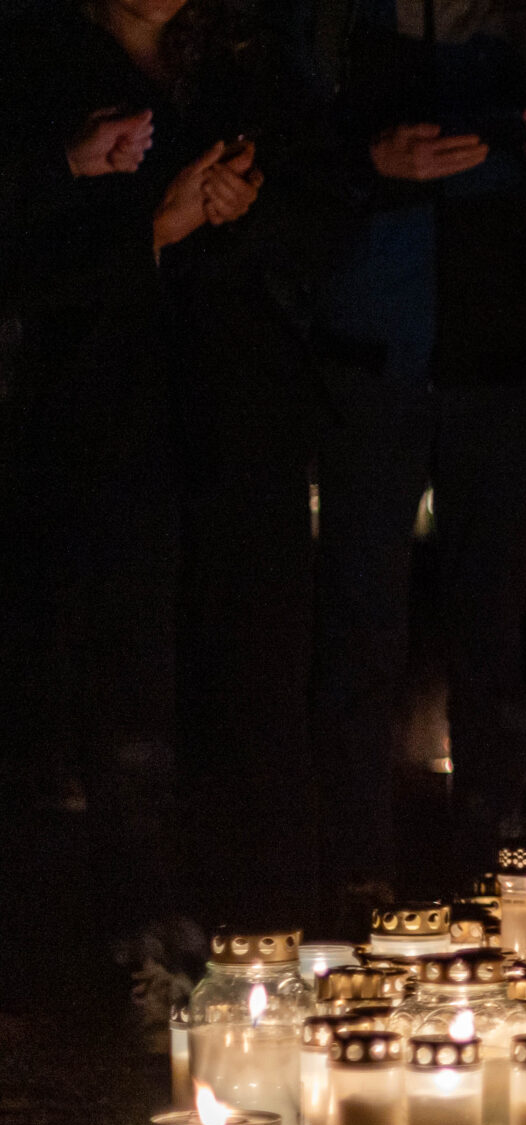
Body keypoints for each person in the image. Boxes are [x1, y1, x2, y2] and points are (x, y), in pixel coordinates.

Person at [9, 0, 342, 1006]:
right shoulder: (36, 57)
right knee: (120, 676)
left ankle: (255, 927)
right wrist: (151, 225)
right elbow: (31, 252)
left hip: (238, 422)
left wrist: (241, 205)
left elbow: (325, 207)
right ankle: (128, 932)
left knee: (251, 666)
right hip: (95, 427)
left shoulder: (247, 59)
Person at [305, 0, 526, 917]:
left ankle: (495, 856)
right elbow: (289, 175)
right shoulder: (333, 28)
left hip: (493, 366)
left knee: (488, 631)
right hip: (375, 360)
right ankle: (359, 863)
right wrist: (373, 167)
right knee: (362, 624)